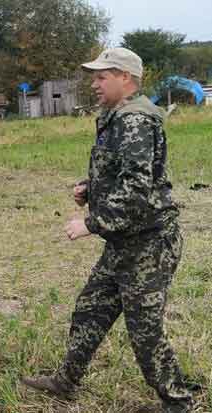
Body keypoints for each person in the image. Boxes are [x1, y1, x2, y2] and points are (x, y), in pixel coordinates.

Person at [21, 47, 198, 412]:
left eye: (102, 76)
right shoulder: (116, 116)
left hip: (149, 244)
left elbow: (136, 190)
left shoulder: (134, 121)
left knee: (145, 331)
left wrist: (90, 223)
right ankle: (65, 381)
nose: (94, 83)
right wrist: (91, 187)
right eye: (95, 76)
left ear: (126, 79)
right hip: (125, 241)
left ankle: (179, 402)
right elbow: (124, 171)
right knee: (91, 309)